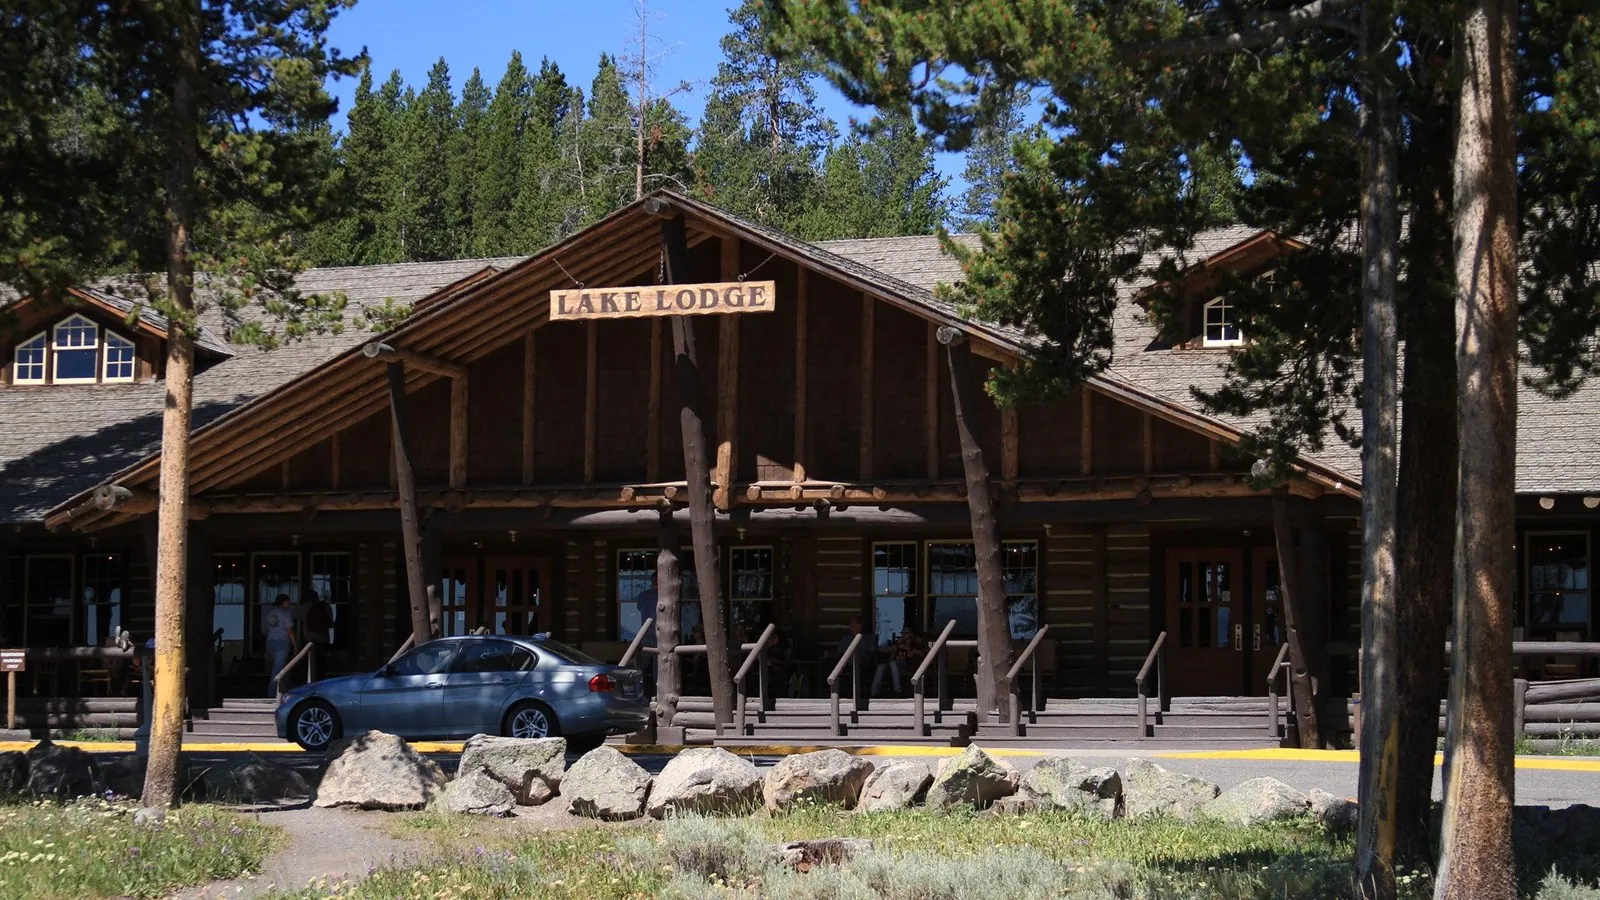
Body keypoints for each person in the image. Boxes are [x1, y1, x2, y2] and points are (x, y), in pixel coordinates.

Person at [263, 594, 299, 697]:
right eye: (288, 601)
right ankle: (271, 694)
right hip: (282, 642)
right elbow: (290, 631)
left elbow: (268, 629)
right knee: (278, 669)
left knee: (283, 667)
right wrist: (295, 645)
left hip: (270, 641)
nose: (289, 603)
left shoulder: (270, 614)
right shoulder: (286, 614)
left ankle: (290, 691)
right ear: (283, 602)